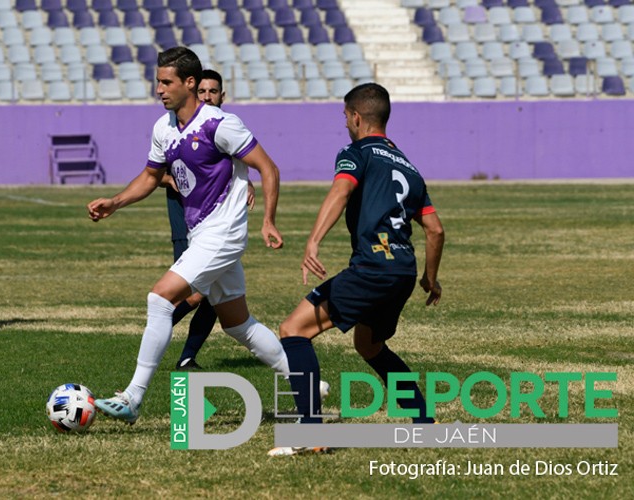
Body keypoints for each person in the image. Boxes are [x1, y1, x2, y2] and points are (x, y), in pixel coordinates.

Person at [87, 47, 288, 424]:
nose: (159, 89)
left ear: (190, 83)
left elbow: (268, 168)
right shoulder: (163, 127)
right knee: (238, 324)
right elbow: (150, 176)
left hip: (223, 232)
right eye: (158, 81)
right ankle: (306, 383)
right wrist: (116, 201)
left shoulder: (219, 123)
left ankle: (132, 398)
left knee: (160, 298)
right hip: (201, 234)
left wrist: (269, 221)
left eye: (167, 82)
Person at [268, 83, 445, 456]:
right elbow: (435, 229)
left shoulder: (356, 152)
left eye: (345, 117)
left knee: (293, 329)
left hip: (373, 267)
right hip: (402, 272)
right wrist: (431, 278)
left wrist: (313, 240)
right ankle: (424, 422)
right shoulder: (409, 167)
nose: (345, 123)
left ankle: (310, 431)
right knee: (369, 344)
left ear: (356, 117)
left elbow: (341, 191)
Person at [166, 69, 255, 371]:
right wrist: (170, 178)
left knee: (212, 295)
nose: (207, 96)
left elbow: (238, 163)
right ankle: (159, 324)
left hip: (216, 223)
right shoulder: (174, 124)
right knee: (195, 293)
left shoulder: (223, 126)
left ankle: (186, 356)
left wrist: (247, 184)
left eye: (213, 92)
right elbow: (156, 170)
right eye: (202, 91)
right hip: (186, 215)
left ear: (222, 96)